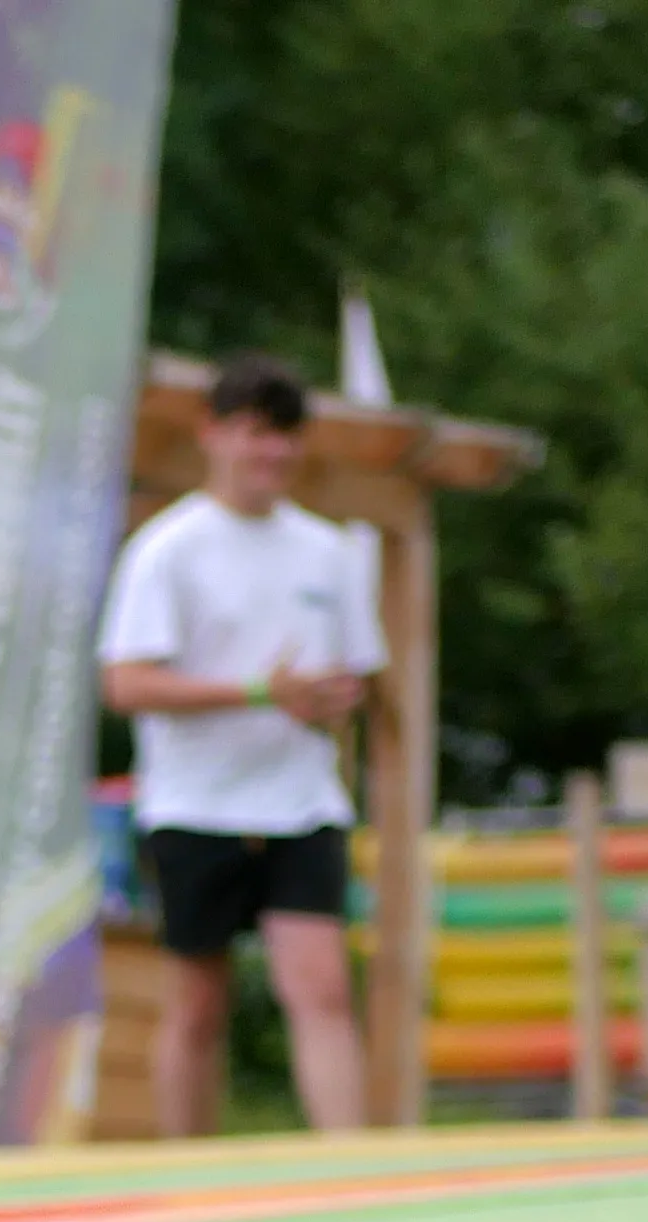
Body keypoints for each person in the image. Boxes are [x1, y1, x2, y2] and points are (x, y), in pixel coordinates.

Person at [97, 352, 381, 1139]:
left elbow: (353, 681)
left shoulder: (329, 552)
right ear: (215, 435)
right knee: (196, 1001)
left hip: (300, 802)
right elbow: (125, 684)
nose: (272, 455)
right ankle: (188, 1177)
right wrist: (257, 692)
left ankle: (350, 1175)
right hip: (195, 804)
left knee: (321, 988)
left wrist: (326, 701)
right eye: (256, 435)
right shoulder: (169, 548)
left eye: (286, 438)